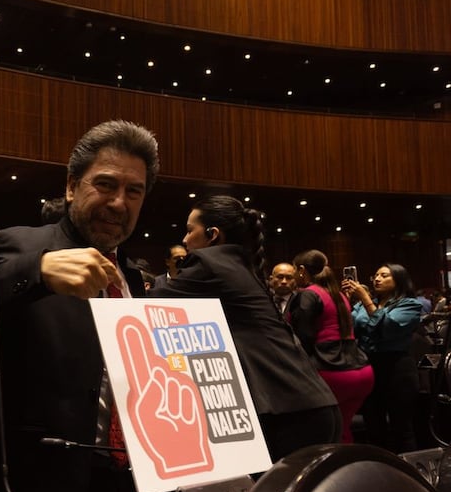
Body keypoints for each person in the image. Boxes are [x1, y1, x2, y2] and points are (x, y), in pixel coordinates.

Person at [0, 119, 158, 492]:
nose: (118, 203)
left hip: (122, 487)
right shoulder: (23, 246)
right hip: (36, 491)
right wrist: (36, 271)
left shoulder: (132, 276)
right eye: (105, 185)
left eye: (134, 191)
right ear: (72, 186)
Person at [148, 196, 339, 461]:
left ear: (213, 235)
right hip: (313, 403)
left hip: (287, 414)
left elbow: (150, 305)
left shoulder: (209, 261)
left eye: (190, 230)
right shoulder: (240, 263)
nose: (185, 239)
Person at [290, 250, 374, 443]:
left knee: (320, 436)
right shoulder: (339, 295)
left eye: (294, 269)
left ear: (301, 270)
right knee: (342, 431)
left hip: (331, 372)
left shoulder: (307, 294)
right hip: (362, 371)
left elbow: (303, 338)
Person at [344, 263, 424, 452]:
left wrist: (365, 299)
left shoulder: (410, 304)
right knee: (373, 426)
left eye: (384, 275)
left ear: (399, 280)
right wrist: (346, 302)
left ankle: (406, 468)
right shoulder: (363, 304)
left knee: (401, 427)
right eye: (376, 275)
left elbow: (388, 328)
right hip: (369, 366)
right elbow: (349, 328)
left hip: (397, 368)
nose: (377, 279)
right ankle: (378, 468)